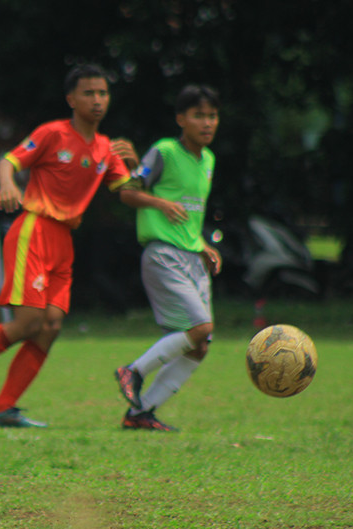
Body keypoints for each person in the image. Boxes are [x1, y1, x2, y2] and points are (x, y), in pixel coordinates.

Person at [0, 63, 138, 428]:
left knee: (51, 326)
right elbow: (8, 161)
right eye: (88, 93)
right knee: (29, 322)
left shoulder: (108, 148)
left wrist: (135, 167)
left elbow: (130, 195)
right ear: (71, 99)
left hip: (64, 241)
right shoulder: (53, 133)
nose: (97, 100)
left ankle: (4, 408)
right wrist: (7, 184)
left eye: (102, 93)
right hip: (35, 230)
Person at [113, 85, 223, 432]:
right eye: (199, 115)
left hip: (192, 256)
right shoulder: (164, 151)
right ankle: (134, 371)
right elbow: (128, 192)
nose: (207, 123)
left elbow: (189, 213)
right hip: (163, 254)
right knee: (201, 328)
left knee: (200, 346)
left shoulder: (209, 161)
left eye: (212, 116)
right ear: (181, 119)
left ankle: (140, 413)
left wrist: (202, 242)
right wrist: (160, 203)